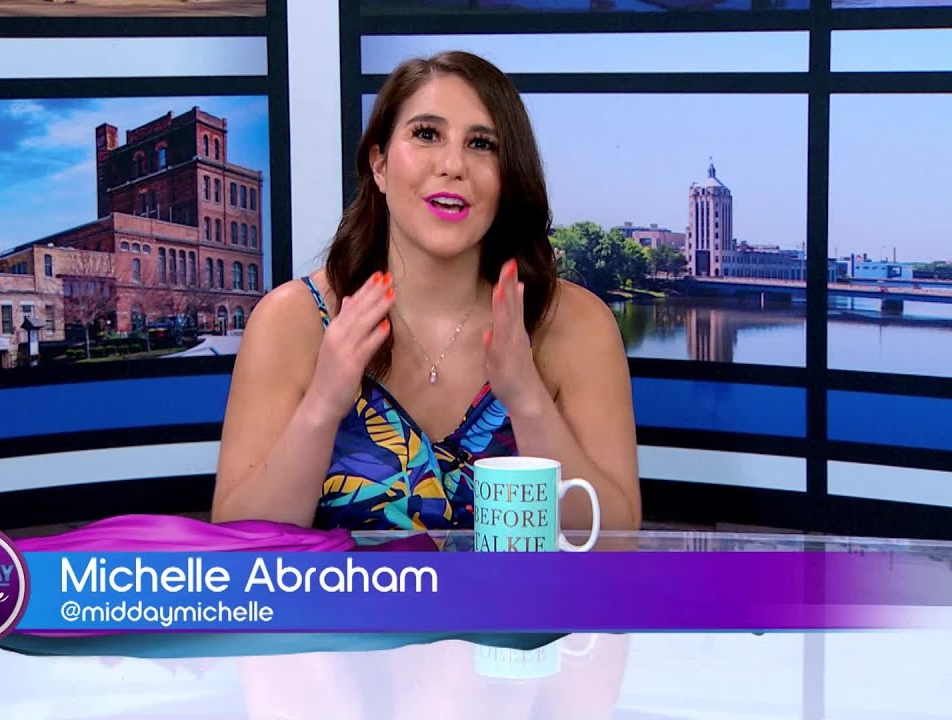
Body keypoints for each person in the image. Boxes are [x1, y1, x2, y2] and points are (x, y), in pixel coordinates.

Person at [212, 50, 639, 532]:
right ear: (379, 164)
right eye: (427, 134)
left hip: (519, 588)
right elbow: (239, 548)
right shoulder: (291, 320)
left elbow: (615, 545)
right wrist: (322, 405)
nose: (453, 165)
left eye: (482, 144)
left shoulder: (575, 324)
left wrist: (527, 399)